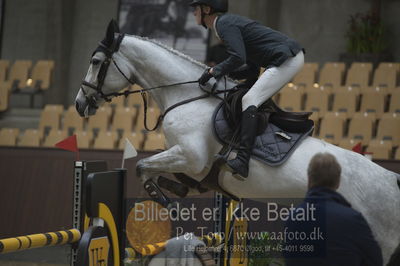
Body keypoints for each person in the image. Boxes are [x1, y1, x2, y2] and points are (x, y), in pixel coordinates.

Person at [189, 0, 305, 180]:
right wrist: (229, 77)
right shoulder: (226, 24)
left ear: (206, 9)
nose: (193, 12)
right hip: (285, 58)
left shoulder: (223, 24)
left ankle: (242, 160)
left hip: (287, 59)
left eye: (196, 8)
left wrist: (213, 71)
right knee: (247, 96)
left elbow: (237, 57)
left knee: (249, 100)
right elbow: (251, 67)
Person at [283, 153, 383, 266]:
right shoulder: (353, 219)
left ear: (309, 180)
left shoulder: (292, 218)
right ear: (338, 182)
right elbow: (376, 261)